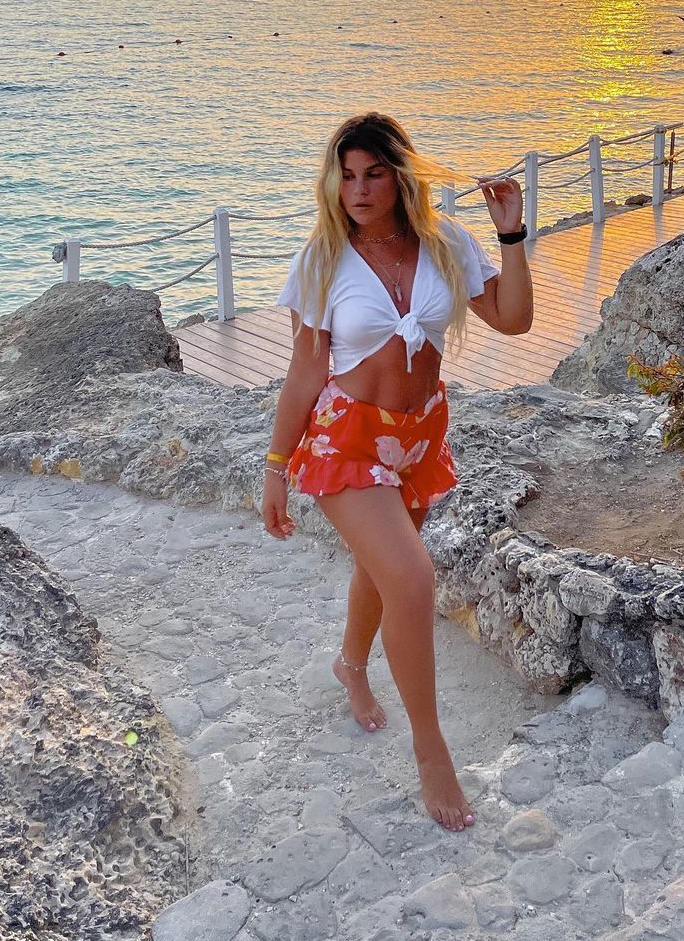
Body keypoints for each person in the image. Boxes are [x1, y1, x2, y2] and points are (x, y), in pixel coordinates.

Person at [261, 112, 533, 832]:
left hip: (418, 436)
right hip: (346, 439)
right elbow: (304, 373)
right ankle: (431, 749)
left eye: (373, 174)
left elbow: (514, 319)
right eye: (346, 175)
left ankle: (351, 664)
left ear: (400, 176)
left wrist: (511, 235)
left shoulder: (447, 243)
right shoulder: (322, 261)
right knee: (411, 578)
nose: (357, 189)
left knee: (382, 569)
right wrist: (276, 466)